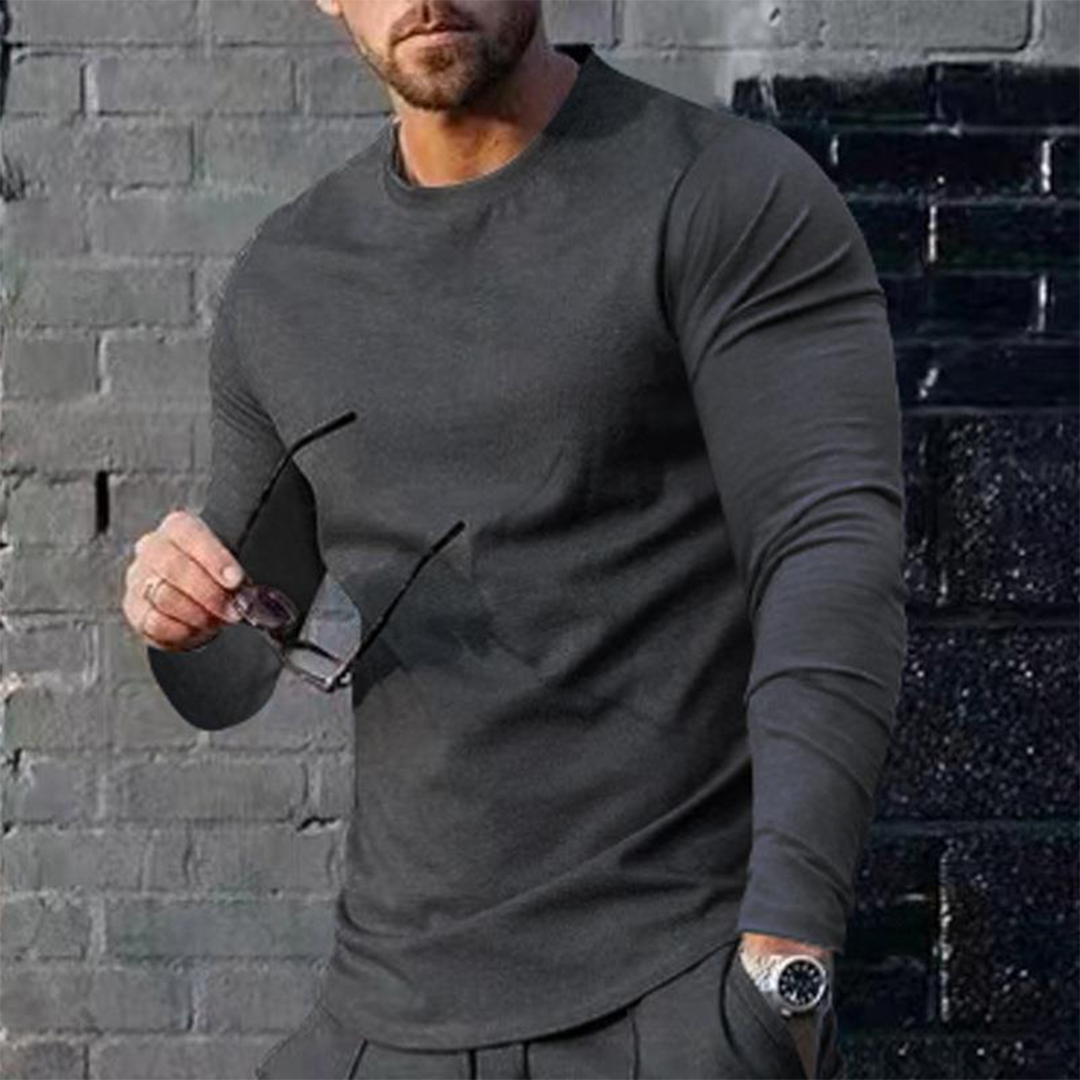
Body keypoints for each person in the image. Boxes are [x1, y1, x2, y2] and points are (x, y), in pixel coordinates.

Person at [120, 2, 908, 1077]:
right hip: (384, 1007)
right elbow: (236, 664)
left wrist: (788, 964)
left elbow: (828, 559)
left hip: (666, 998)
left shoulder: (722, 193)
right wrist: (179, 615)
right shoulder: (288, 277)